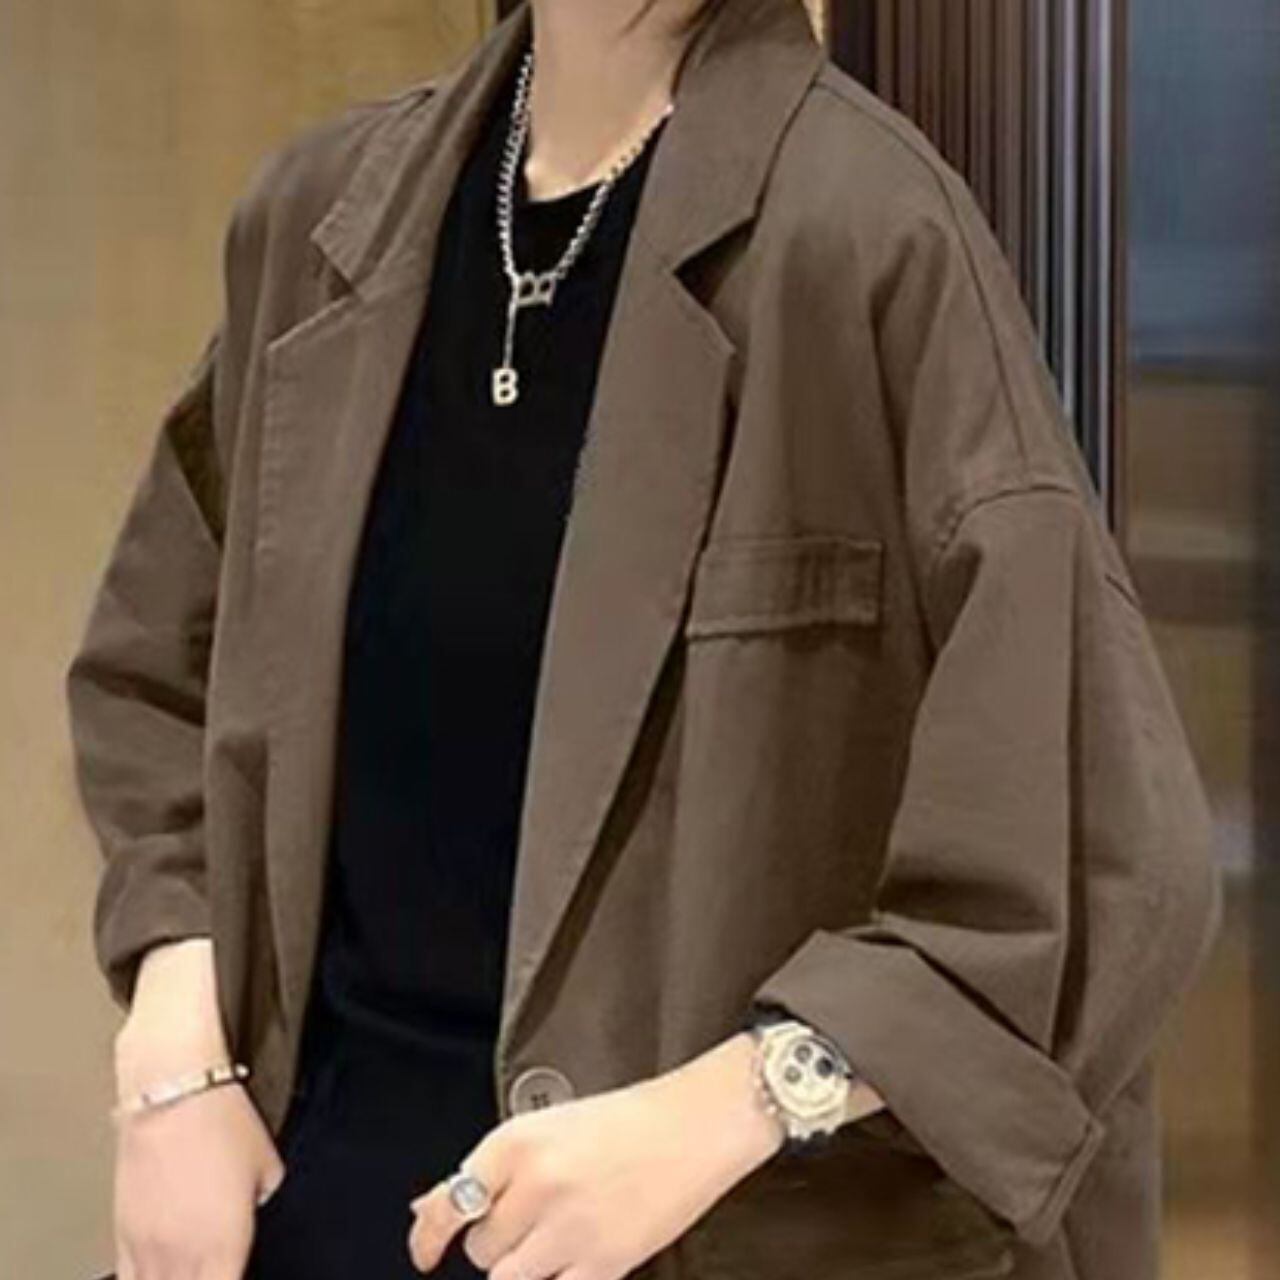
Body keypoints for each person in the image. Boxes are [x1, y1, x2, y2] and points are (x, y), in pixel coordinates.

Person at [64, 0, 1222, 1278]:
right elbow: (156, 671)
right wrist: (174, 1048)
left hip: (722, 1246)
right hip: (308, 1209)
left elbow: (1108, 856)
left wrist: (738, 1101)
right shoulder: (324, 215)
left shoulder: (869, 232)